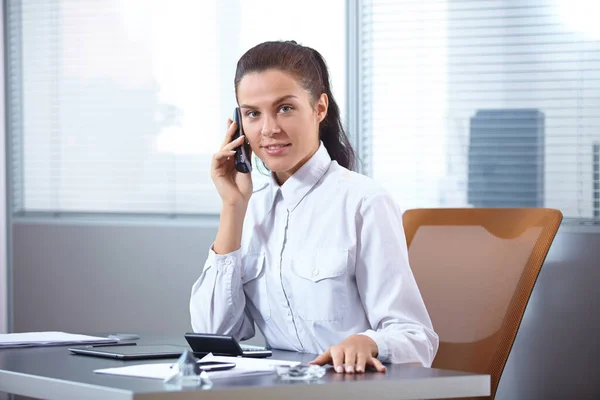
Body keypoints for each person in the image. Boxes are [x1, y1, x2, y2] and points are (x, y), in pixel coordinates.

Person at [190, 40, 438, 374]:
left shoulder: (364, 202)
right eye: (253, 114)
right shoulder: (250, 207)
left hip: (351, 391)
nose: (269, 129)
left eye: (285, 108)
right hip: (278, 391)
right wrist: (233, 207)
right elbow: (212, 337)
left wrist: (369, 342)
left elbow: (417, 338)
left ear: (319, 108)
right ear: (238, 124)